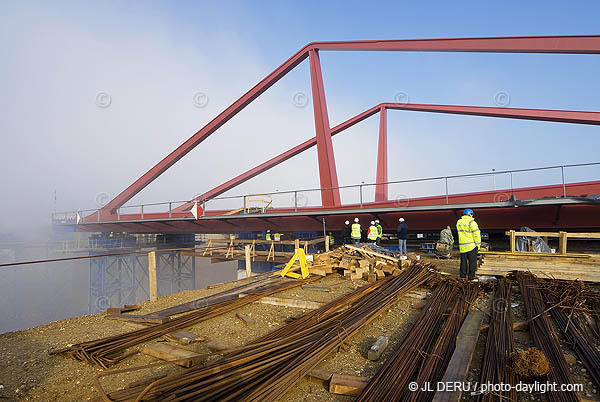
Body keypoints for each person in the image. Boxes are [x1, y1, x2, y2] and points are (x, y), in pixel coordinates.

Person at [456, 208, 481, 280]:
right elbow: (476, 235)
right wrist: (478, 245)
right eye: (472, 215)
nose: (473, 216)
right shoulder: (472, 223)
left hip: (462, 246)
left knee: (463, 262)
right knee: (472, 262)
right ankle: (471, 277)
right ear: (470, 215)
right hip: (471, 246)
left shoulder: (459, 222)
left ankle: (462, 276)